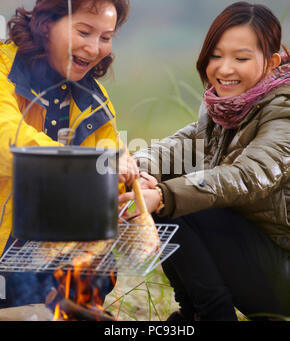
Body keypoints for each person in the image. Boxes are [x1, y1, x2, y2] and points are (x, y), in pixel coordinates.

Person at [119, 2, 290, 320]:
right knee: (167, 195)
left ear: (270, 62)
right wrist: (138, 175)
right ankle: (194, 313)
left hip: (289, 274)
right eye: (216, 56)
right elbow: (173, 149)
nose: (224, 69)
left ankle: (213, 315)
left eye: (240, 58)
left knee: (174, 201)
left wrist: (161, 196)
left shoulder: (288, 111)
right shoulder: (225, 110)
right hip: (254, 258)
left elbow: (248, 175)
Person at [0, 0, 139, 308]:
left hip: (57, 251)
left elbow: (110, 176)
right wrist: (93, 166)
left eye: (105, 37)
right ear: (47, 24)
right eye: (84, 32)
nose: (94, 48)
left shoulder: (93, 100)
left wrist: (134, 186)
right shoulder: (2, 67)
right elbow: (7, 136)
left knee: (93, 270)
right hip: (6, 245)